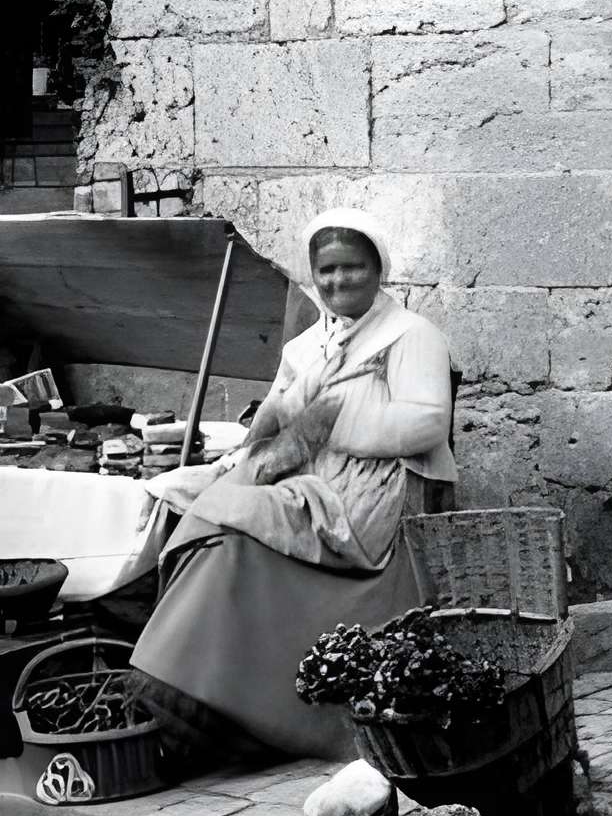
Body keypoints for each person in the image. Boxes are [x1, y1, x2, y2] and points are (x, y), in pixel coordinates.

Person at [129, 206, 456, 762]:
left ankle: (209, 701)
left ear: (379, 270)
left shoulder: (411, 335)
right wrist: (244, 455)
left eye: (352, 268)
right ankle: (180, 679)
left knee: (227, 524)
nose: (337, 281)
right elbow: (276, 420)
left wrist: (328, 420)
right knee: (175, 493)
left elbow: (427, 422)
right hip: (305, 477)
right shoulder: (305, 348)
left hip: (367, 496)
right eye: (325, 270)